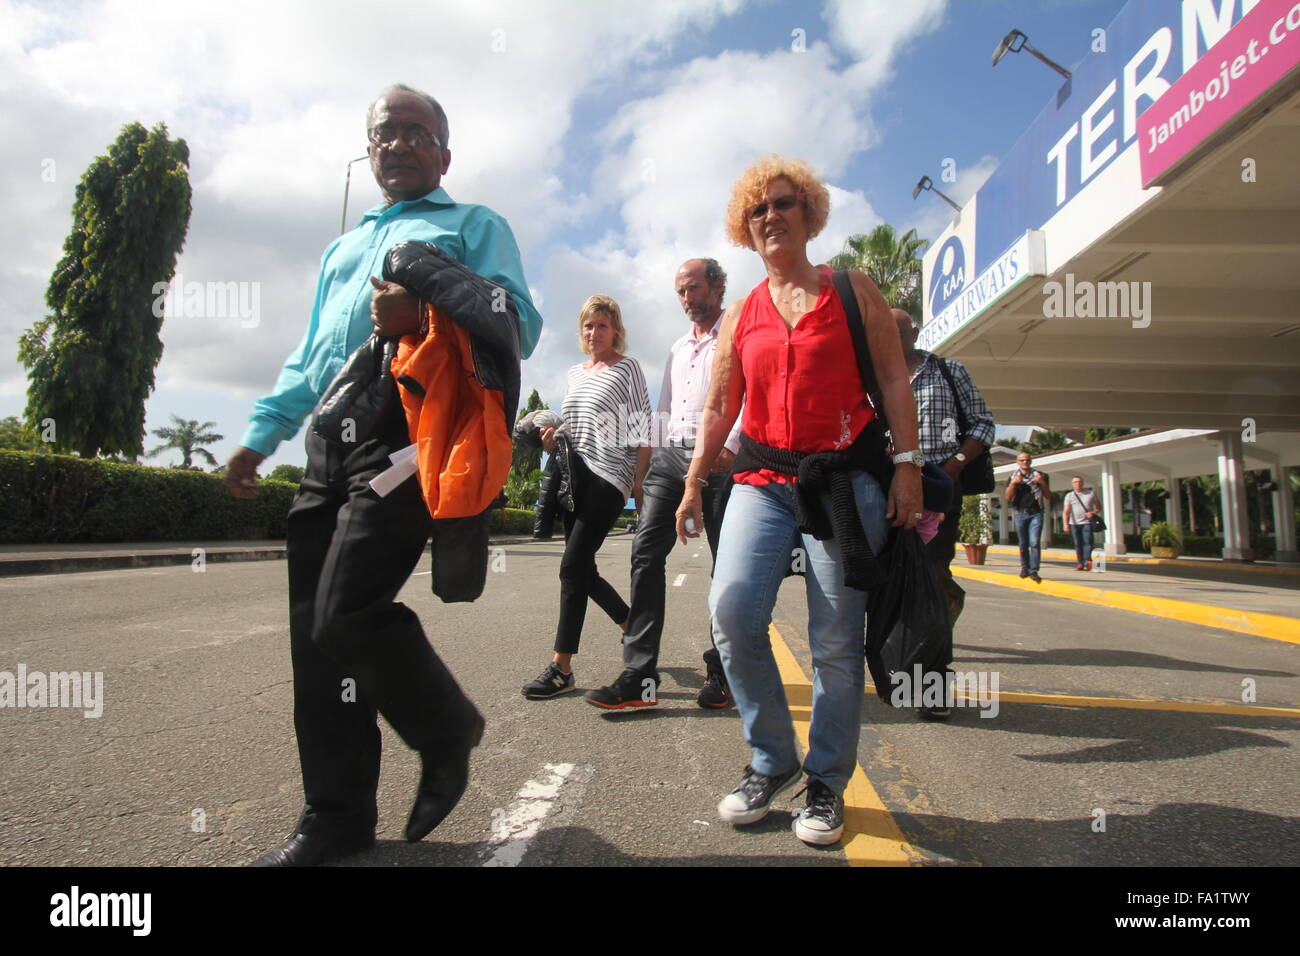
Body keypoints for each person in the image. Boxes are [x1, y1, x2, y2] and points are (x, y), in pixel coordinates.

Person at [224, 85, 543, 867]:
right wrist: (262, 435)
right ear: (368, 150)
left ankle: (445, 729)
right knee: (314, 641)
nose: (397, 143)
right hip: (329, 438)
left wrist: (426, 311)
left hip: (412, 432)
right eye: (384, 133)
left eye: (416, 132)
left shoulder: (473, 226)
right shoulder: (341, 249)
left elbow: (518, 324)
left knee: (345, 612)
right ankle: (335, 820)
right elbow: (310, 358)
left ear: (443, 151)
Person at [676, 157, 923, 846]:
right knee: (732, 612)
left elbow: (896, 383)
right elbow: (723, 403)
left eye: (784, 205)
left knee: (836, 640)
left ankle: (826, 781)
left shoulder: (852, 290)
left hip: (842, 482)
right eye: (758, 211)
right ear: (745, 229)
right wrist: (696, 481)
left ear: (809, 214)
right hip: (763, 479)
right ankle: (771, 758)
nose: (771, 217)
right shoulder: (743, 314)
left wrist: (907, 466)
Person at [584, 259, 741, 711]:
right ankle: (638, 674)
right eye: (680, 292)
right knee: (645, 553)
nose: (687, 299)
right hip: (669, 459)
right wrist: (644, 471)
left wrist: (728, 447)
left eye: (694, 289)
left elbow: (751, 393)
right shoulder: (676, 348)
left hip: (719, 457)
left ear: (717, 285)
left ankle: (722, 671)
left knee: (725, 564)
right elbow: (665, 409)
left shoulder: (736, 333)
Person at [521, 295, 652, 700]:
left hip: (609, 478)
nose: (594, 333)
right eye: (588, 326)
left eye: (602, 326)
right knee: (581, 569)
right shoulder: (575, 374)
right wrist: (549, 442)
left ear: (616, 331)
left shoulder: (627, 369)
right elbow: (570, 430)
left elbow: (644, 429)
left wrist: (638, 483)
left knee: (572, 566)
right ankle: (630, 624)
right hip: (572, 477)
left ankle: (562, 667)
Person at [892, 308, 994, 720]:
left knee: (931, 580)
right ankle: (897, 666)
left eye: (900, 331)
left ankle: (934, 684)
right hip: (889, 493)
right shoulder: (874, 380)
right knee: (894, 584)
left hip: (937, 490)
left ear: (914, 332)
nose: (892, 338)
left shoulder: (949, 371)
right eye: (885, 331)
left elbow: (984, 425)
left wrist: (953, 466)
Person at [1005, 452, 1050, 582]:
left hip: (1036, 512)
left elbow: (1048, 496)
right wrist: (1013, 484)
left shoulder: (1041, 476)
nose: (1025, 462)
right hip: (1020, 513)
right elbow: (1008, 497)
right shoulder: (1013, 477)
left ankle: (1034, 570)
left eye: (1027, 460)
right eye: (1022, 460)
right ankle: (1025, 568)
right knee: (1023, 543)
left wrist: (1042, 483)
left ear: (1031, 461)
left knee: (1035, 542)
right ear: (1018, 462)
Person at [1063, 475, 1103, 570]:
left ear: (1083, 483)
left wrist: (1092, 513)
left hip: (1087, 523)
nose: (1078, 483)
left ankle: (1087, 561)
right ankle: (1080, 563)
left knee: (1087, 542)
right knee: (1077, 544)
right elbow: (1066, 511)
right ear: (1073, 484)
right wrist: (1065, 524)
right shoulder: (1069, 495)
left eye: (1079, 481)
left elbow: (1099, 508)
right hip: (1074, 524)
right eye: (1075, 482)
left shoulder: (1090, 493)